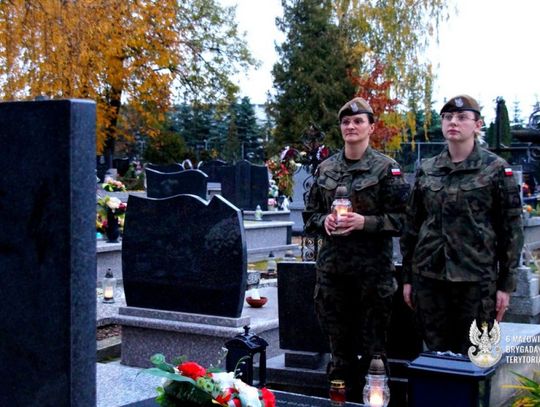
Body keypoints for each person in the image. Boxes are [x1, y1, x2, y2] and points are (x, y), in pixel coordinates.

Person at [400, 95, 524, 355]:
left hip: (476, 281)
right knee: (435, 357)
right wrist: (408, 278)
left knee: (477, 356)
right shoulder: (427, 169)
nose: (453, 122)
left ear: (477, 125)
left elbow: (511, 230)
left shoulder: (496, 169)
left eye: (461, 117)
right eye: (448, 117)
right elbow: (412, 225)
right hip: (430, 278)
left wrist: (505, 285)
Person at [303, 97, 410, 398]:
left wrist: (365, 222)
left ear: (371, 127)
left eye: (358, 121)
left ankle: (376, 401)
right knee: (339, 355)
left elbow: (403, 219)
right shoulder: (325, 168)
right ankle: (340, 401)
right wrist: (324, 221)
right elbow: (310, 217)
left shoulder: (387, 169)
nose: (351, 126)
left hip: (372, 277)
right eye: (346, 122)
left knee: (376, 355)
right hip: (333, 275)